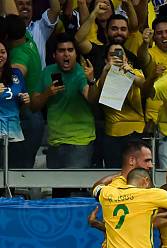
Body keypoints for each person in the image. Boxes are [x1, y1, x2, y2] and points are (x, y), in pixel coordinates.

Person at [31, 34, 96, 170]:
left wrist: (91, 81)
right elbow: (33, 106)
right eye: (61, 51)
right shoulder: (47, 72)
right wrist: (47, 93)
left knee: (75, 189)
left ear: (76, 54)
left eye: (70, 50)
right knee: (58, 190)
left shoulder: (81, 72)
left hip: (80, 142)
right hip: (55, 142)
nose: (66, 54)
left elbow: (91, 98)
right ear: (54, 55)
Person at [90, 43, 147, 168]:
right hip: (113, 134)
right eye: (112, 55)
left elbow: (145, 86)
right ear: (106, 60)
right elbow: (93, 98)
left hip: (136, 131)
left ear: (126, 58)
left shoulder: (135, 72)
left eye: (120, 54)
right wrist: (106, 70)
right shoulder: (103, 76)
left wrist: (128, 73)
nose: (117, 57)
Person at [5, 14, 43, 169]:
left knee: (16, 172)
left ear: (6, 36)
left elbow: (13, 87)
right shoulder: (26, 37)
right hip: (33, 116)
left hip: (25, 119)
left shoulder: (18, 58)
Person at [0, 39, 30, 157]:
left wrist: (25, 100)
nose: (0, 56)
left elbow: (22, 106)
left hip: (14, 133)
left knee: (15, 173)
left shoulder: (16, 73)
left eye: (3, 52)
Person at [14, 0, 61, 68]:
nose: (25, 6)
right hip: (17, 76)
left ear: (32, 8)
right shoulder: (9, 28)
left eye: (28, 4)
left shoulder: (41, 27)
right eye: (20, 4)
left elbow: (55, 10)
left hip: (39, 77)